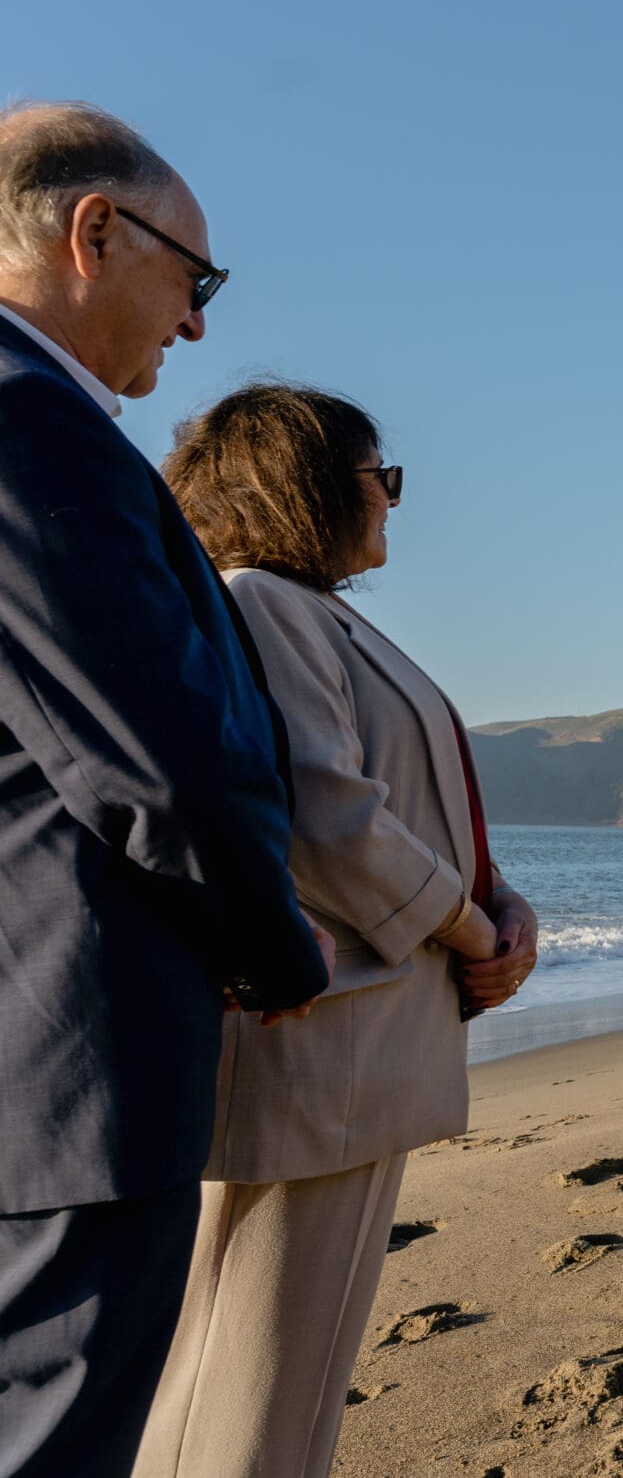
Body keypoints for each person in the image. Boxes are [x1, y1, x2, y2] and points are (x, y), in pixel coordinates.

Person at [0, 102, 332, 1477]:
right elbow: (163, 755)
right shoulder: (32, 422)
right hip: (69, 1053)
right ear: (95, 232)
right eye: (194, 280)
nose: (196, 328)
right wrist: (274, 946)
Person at [135, 384, 539, 1478]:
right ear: (307, 486)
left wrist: (506, 906)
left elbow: (400, 803)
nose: (395, 506)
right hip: (322, 1049)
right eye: (382, 480)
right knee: (259, 1366)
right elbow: (331, 819)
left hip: (351, 1044)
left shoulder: (305, 607)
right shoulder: (261, 602)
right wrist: (468, 932)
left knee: (263, 1357)